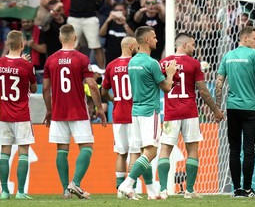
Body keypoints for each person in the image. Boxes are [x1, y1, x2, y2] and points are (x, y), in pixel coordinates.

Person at [157, 33, 224, 198]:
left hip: (171, 112)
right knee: (192, 149)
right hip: (189, 112)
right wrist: (216, 109)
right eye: (193, 45)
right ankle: (190, 190)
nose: (194, 48)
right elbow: (202, 90)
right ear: (185, 44)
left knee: (165, 149)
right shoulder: (193, 64)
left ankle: (163, 189)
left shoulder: (163, 63)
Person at [42, 24, 106, 199]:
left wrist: (49, 110)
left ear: (60, 39)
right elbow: (92, 85)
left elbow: (45, 90)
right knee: (87, 147)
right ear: (75, 38)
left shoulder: (51, 60)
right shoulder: (82, 58)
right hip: (78, 110)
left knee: (62, 150)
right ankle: (75, 183)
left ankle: (65, 190)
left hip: (58, 111)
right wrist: (99, 108)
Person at [117, 26, 177, 200]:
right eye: (155, 37)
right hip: (150, 111)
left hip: (135, 111)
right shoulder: (152, 63)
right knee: (150, 152)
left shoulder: (133, 62)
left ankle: (151, 190)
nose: (157, 40)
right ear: (146, 40)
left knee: (141, 152)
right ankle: (128, 184)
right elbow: (166, 88)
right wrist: (171, 74)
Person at [215, 25, 255, 198]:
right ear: (245, 38)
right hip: (250, 107)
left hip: (232, 108)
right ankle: (247, 189)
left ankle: (236, 189)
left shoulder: (228, 56)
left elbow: (219, 83)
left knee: (234, 149)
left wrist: (217, 107)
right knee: (249, 149)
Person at [0, 29, 37, 199]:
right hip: (21, 115)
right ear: (22, 45)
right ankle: (20, 191)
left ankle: (4, 191)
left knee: (4, 152)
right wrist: (24, 64)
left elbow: (6, 69)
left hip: (4, 115)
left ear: (7, 44)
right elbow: (33, 89)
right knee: (23, 153)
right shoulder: (26, 65)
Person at [102, 36, 140, 196]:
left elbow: (104, 92)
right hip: (134, 114)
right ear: (131, 47)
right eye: (137, 46)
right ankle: (130, 188)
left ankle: (119, 190)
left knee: (121, 152)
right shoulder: (137, 64)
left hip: (118, 114)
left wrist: (114, 99)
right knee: (134, 152)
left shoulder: (111, 66)